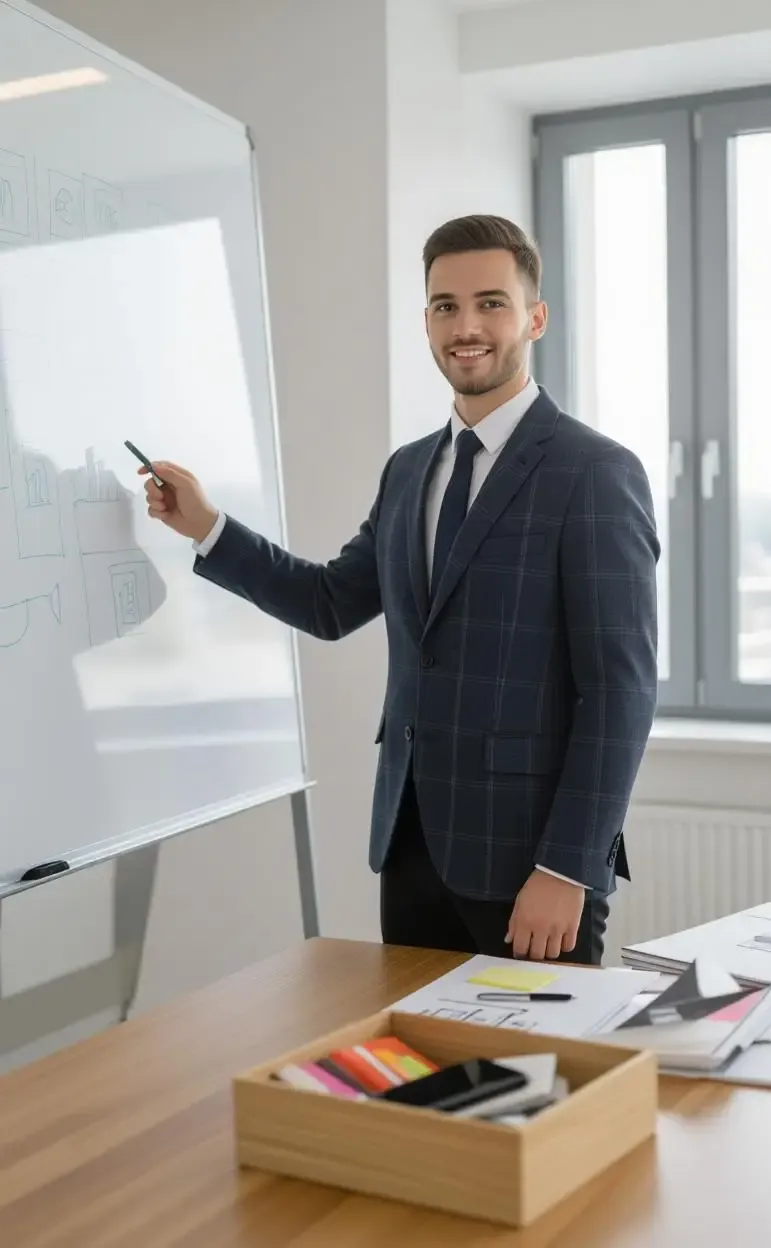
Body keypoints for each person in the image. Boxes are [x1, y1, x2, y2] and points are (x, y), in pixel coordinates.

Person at [141, 214, 659, 965]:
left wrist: (568, 865)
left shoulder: (595, 473)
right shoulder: (410, 470)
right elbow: (329, 603)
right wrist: (210, 528)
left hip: (528, 866)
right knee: (426, 1078)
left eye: (491, 302)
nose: (466, 325)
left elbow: (621, 691)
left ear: (535, 317)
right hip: (411, 848)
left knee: (542, 1078)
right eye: (445, 306)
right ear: (426, 322)